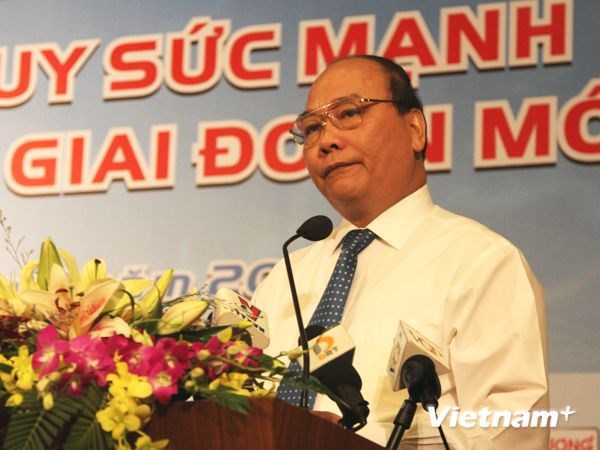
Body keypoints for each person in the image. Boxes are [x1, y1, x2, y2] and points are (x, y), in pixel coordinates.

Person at [252, 55, 549, 449]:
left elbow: (512, 432)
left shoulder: (482, 263)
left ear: (414, 130)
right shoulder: (286, 277)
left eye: (349, 113)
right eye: (311, 128)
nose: (326, 141)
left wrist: (345, 442)